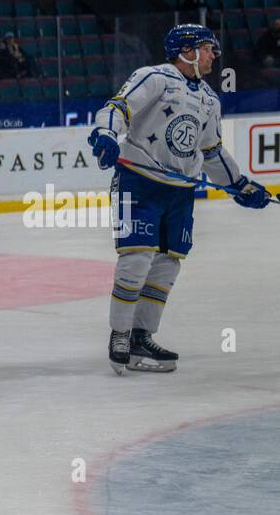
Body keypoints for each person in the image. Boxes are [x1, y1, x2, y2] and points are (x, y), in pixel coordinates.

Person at [88, 24, 270, 374]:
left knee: (167, 265)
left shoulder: (210, 99)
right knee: (136, 259)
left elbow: (212, 153)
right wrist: (106, 133)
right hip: (137, 183)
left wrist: (241, 185)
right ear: (186, 50)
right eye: (207, 48)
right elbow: (118, 107)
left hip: (180, 193)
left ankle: (142, 335)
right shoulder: (153, 77)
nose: (214, 55)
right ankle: (120, 334)